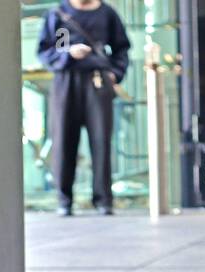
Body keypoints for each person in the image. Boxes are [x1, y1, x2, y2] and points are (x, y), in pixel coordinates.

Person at [37, 0, 131, 216]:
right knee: (63, 140)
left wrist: (115, 73)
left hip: (97, 81)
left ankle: (103, 199)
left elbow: (121, 48)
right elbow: (45, 50)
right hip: (65, 82)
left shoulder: (107, 13)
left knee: (101, 141)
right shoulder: (58, 14)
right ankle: (64, 200)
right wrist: (68, 53)